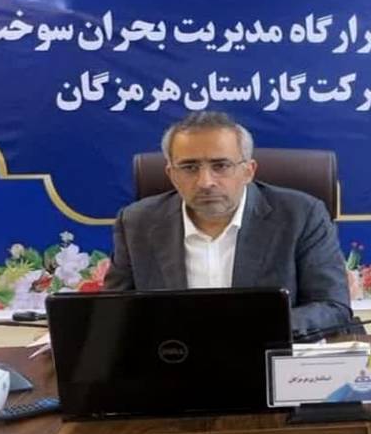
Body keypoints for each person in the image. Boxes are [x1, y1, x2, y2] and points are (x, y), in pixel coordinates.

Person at [104, 111, 353, 339]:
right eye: (189, 167)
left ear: (248, 171)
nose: (205, 182)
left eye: (220, 166)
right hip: (174, 361)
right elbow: (113, 313)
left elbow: (333, 308)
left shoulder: (301, 215)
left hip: (268, 358)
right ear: (171, 174)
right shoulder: (137, 223)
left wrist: (252, 328)